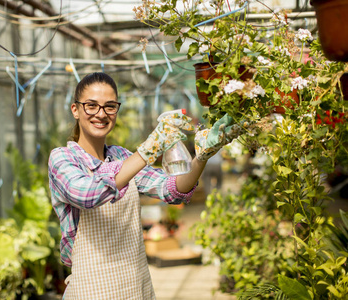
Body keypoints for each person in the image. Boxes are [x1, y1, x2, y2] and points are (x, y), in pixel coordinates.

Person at [48, 72, 239, 299]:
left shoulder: (121, 156)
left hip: (136, 286)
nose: (101, 114)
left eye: (110, 106)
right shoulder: (62, 158)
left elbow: (172, 189)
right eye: (91, 106)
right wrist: (147, 151)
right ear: (75, 110)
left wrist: (202, 156)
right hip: (91, 289)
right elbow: (88, 195)